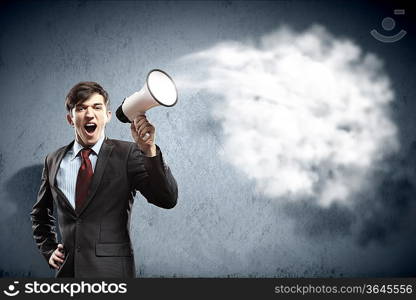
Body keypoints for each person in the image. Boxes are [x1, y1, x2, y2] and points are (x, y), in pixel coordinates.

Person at [30, 81, 178, 278]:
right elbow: (40, 213)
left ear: (107, 116)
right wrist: (48, 249)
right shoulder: (53, 160)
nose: (89, 114)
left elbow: (167, 199)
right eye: (81, 108)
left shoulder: (130, 153)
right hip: (68, 275)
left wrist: (149, 151)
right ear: (70, 119)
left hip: (113, 275)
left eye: (97, 107)